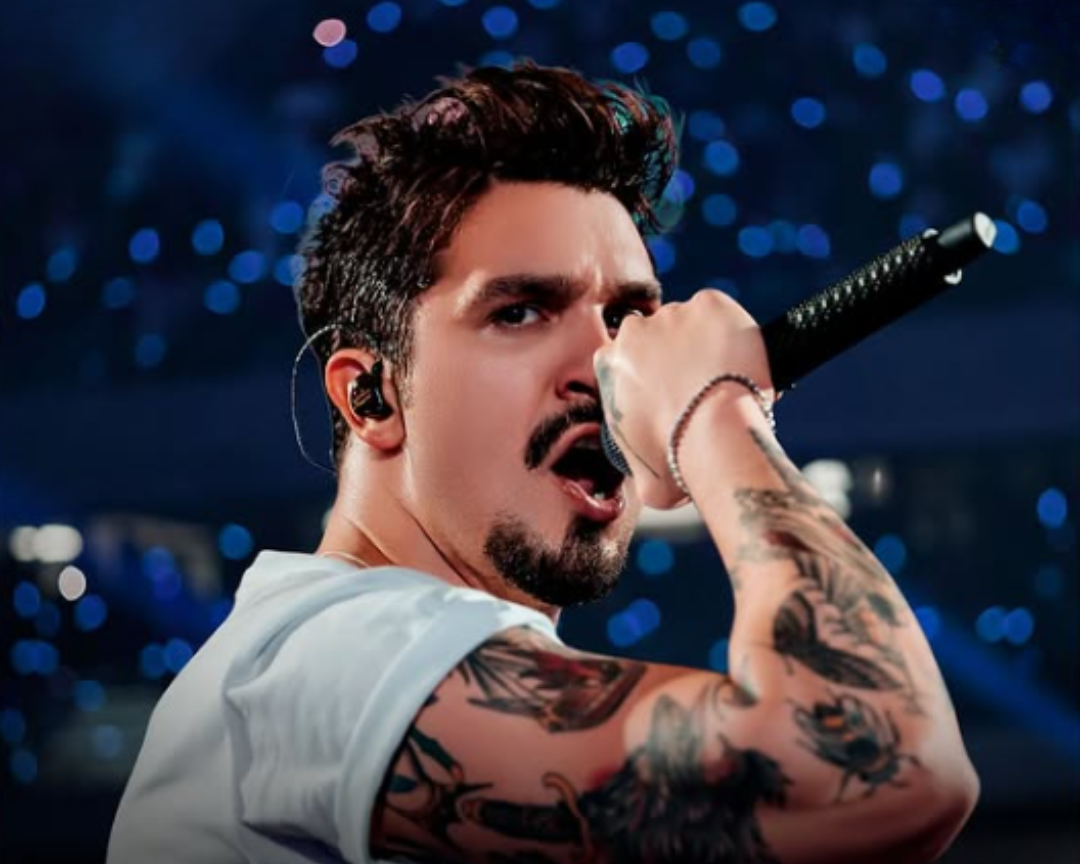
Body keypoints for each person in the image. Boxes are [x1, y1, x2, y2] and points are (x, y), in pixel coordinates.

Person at [108, 61, 978, 864]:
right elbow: (882, 769)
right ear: (371, 397)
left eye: (629, 320)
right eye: (520, 312)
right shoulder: (326, 654)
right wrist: (713, 410)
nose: (605, 367)